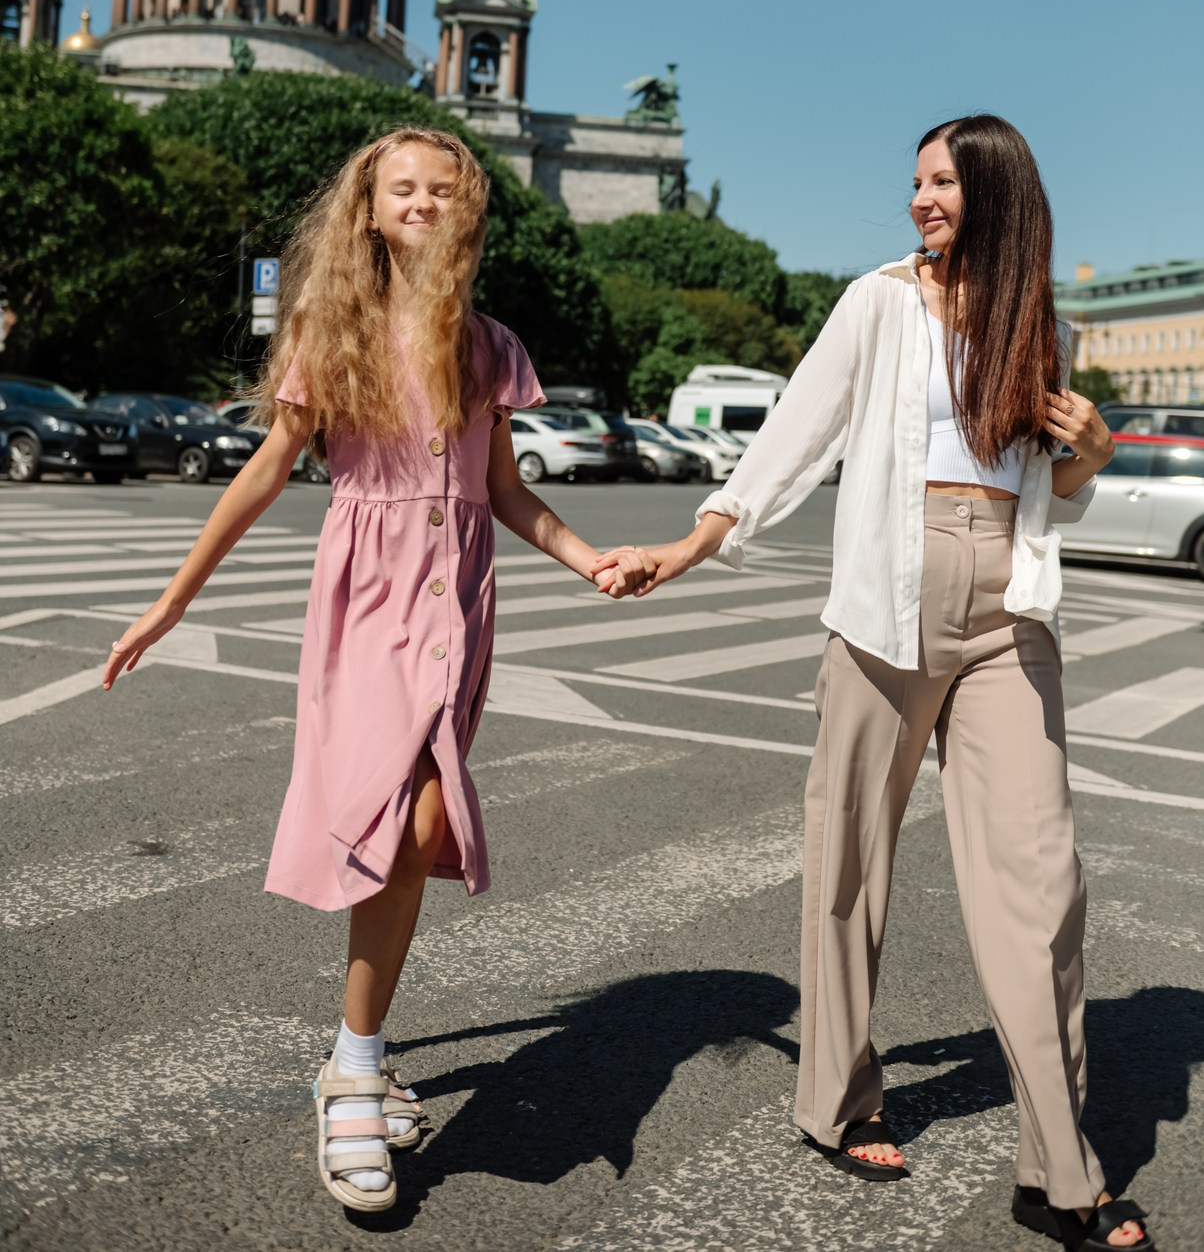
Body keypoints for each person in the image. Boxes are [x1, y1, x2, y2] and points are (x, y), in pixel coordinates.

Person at [594, 117, 1154, 1252]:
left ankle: (1060, 1171)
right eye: (914, 182)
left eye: (941, 180)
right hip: (885, 603)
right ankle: (838, 1099)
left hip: (1009, 608)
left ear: (996, 190)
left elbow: (1047, 480)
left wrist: (1089, 452)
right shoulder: (878, 302)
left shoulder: (1031, 318)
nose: (919, 200)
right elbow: (791, 438)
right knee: (849, 855)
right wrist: (689, 545)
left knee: (1041, 883)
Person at [103, 126, 607, 1215]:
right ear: (370, 212)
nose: (422, 203)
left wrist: (585, 556)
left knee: (421, 828)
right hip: (367, 601)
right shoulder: (333, 333)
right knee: (403, 826)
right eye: (401, 190)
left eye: (442, 189)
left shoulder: (490, 347)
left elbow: (506, 492)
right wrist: (172, 599)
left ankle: (352, 1059)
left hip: (456, 604)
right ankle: (354, 1069)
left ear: (467, 210)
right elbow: (266, 470)